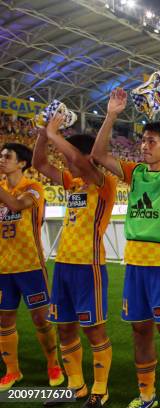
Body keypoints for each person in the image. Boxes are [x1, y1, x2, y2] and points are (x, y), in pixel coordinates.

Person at [92, 82, 160, 408]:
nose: (144, 146)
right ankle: (146, 394)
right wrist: (110, 115)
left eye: (151, 142)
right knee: (139, 331)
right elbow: (98, 155)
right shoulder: (134, 173)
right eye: (143, 140)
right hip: (134, 262)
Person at [33, 114, 116, 407]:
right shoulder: (73, 182)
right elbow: (39, 164)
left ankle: (100, 389)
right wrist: (44, 134)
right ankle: (75, 386)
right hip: (64, 265)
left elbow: (80, 162)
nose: (66, 162)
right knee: (65, 327)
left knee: (94, 329)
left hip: (88, 266)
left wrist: (56, 134)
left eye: (70, 155)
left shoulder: (102, 182)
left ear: (86, 157)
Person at [0, 143, 63, 392]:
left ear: (22, 163)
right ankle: (12, 371)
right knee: (4, 321)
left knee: (40, 318)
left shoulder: (34, 188)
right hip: (3, 270)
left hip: (30, 267)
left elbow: (16, 206)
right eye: (1, 156)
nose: (2, 159)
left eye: (7, 156)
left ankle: (53, 364)